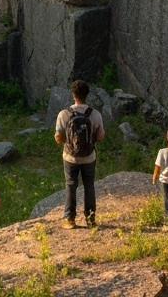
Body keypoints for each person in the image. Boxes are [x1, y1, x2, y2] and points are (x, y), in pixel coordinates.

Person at [54, 79, 104, 229]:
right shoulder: (95, 114)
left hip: (70, 157)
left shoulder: (64, 114)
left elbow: (58, 137)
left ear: (73, 94)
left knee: (70, 185)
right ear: (87, 95)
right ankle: (90, 219)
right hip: (89, 157)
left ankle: (70, 219)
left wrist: (66, 142)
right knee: (89, 186)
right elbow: (101, 136)